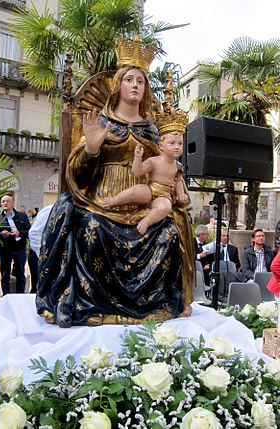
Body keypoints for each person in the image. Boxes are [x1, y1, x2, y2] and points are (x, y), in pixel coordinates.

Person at [36, 36, 195, 328]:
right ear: (118, 85)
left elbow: (170, 165)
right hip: (101, 199)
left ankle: (157, 304)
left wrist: (178, 187)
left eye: (141, 81)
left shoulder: (152, 127)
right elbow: (78, 174)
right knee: (89, 226)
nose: (136, 85)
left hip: (143, 200)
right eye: (129, 79)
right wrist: (92, 149)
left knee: (170, 230)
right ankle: (91, 304)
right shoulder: (100, 122)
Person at [102, 130, 188, 234]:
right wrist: (138, 158)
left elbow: (178, 181)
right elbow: (137, 172)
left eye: (180, 144)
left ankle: (146, 222)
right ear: (161, 145)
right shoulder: (154, 161)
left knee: (165, 207)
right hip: (151, 189)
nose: (177, 147)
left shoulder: (178, 166)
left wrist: (180, 193)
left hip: (165, 195)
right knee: (136, 191)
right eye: (172, 143)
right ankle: (114, 201)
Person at [0, 195, 31, 295]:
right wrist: (1, 234)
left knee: (20, 274)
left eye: (7, 201)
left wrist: (19, 233)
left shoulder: (22, 216)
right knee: (5, 275)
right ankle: (6, 295)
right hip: (5, 249)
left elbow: (29, 232)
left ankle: (20, 296)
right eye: (3, 202)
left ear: (13, 203)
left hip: (19, 248)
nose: (5, 203)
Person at [28, 205, 53, 293]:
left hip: (52, 258)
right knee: (39, 290)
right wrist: (43, 256)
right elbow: (34, 233)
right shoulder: (50, 210)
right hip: (39, 255)